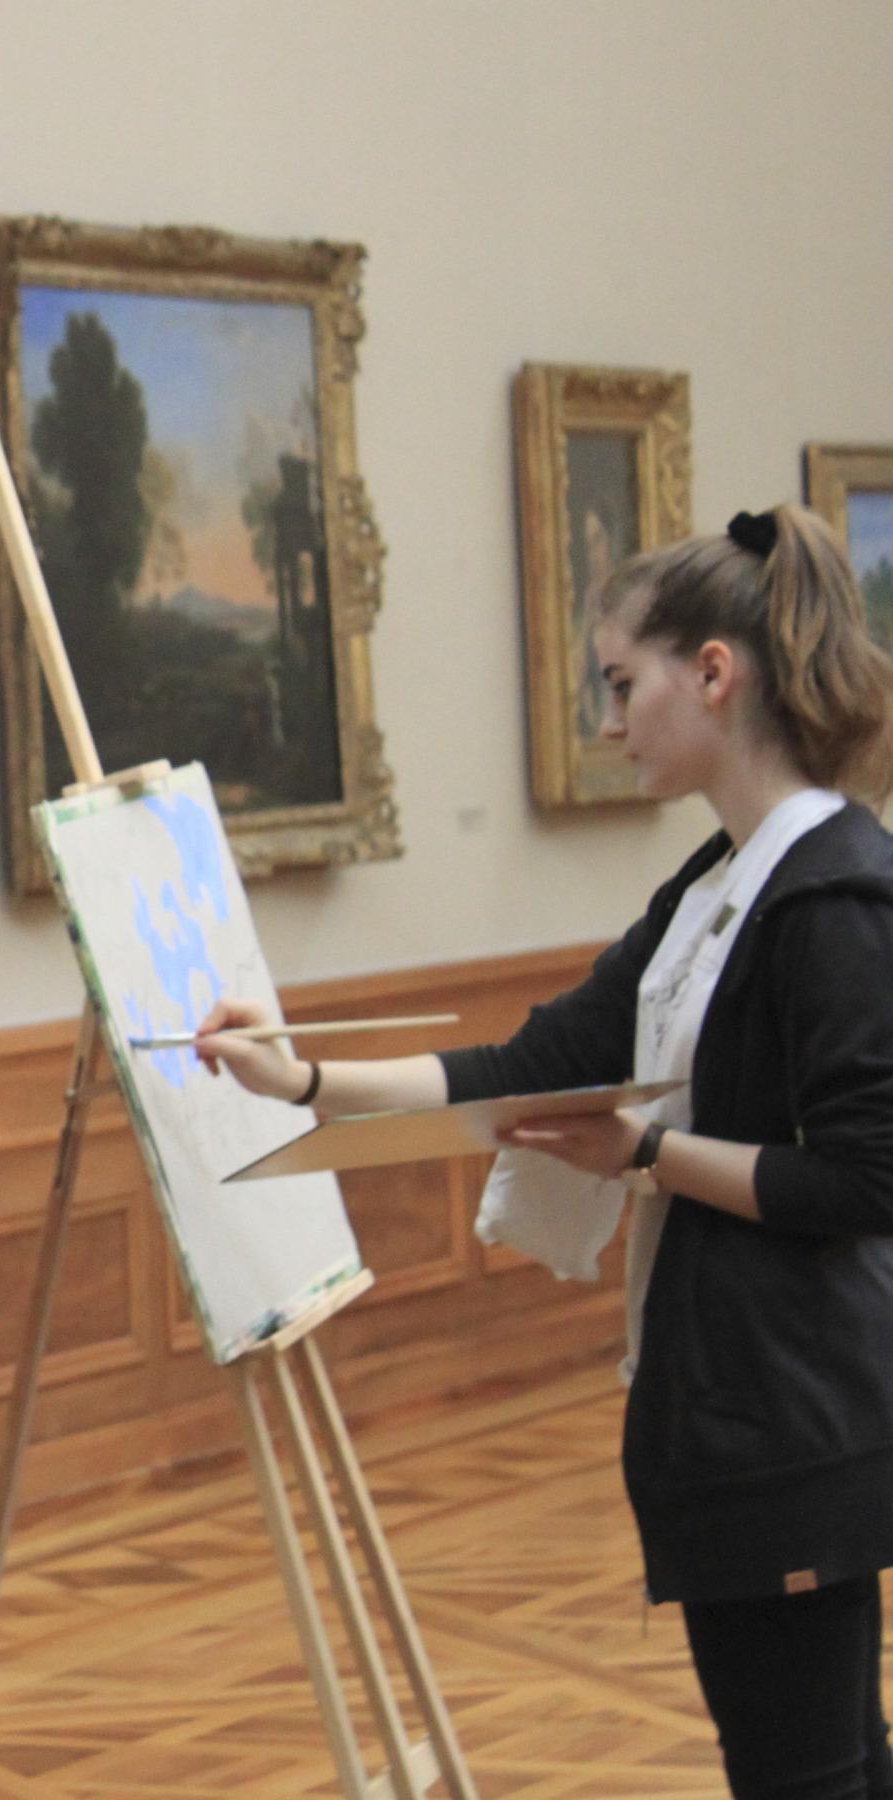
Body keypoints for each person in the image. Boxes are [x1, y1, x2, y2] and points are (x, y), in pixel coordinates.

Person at [197, 505, 893, 1799]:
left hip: (797, 1420)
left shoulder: (835, 891)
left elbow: (864, 1182)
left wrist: (645, 1154)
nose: (610, 721)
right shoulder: (717, 885)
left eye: (622, 685)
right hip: (738, 1415)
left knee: (811, 1775)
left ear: (715, 674)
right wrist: (299, 1078)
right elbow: (531, 1064)